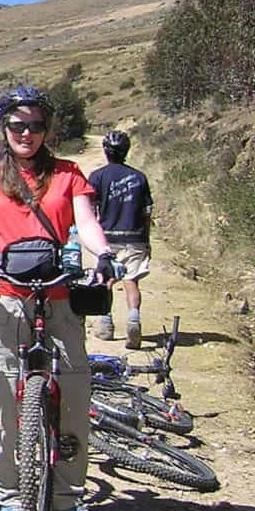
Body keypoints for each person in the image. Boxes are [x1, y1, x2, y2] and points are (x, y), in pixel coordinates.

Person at [0, 85, 119, 511]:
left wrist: (103, 255)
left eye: (36, 125)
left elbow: (87, 223)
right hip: (3, 296)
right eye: (17, 125)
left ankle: (65, 494)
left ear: (47, 129)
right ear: (3, 129)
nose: (27, 133)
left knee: (73, 392)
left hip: (59, 295)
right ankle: (7, 490)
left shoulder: (68, 174)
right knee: (1, 395)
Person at [88, 130, 154, 349]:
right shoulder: (139, 177)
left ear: (106, 151)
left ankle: (106, 323)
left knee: (106, 279)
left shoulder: (97, 176)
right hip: (134, 236)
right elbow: (146, 213)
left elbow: (88, 209)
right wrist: (147, 240)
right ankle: (133, 318)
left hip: (107, 237)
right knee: (131, 281)